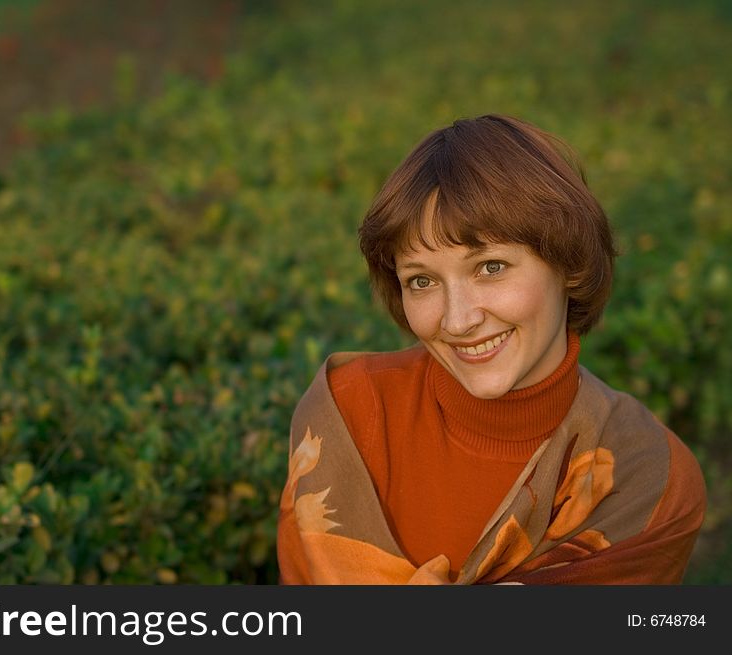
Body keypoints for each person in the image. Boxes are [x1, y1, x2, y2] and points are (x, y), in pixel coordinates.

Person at [276, 114, 707, 584]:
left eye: (491, 267)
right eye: (421, 281)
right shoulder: (347, 416)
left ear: (569, 263)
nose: (458, 320)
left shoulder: (649, 477)